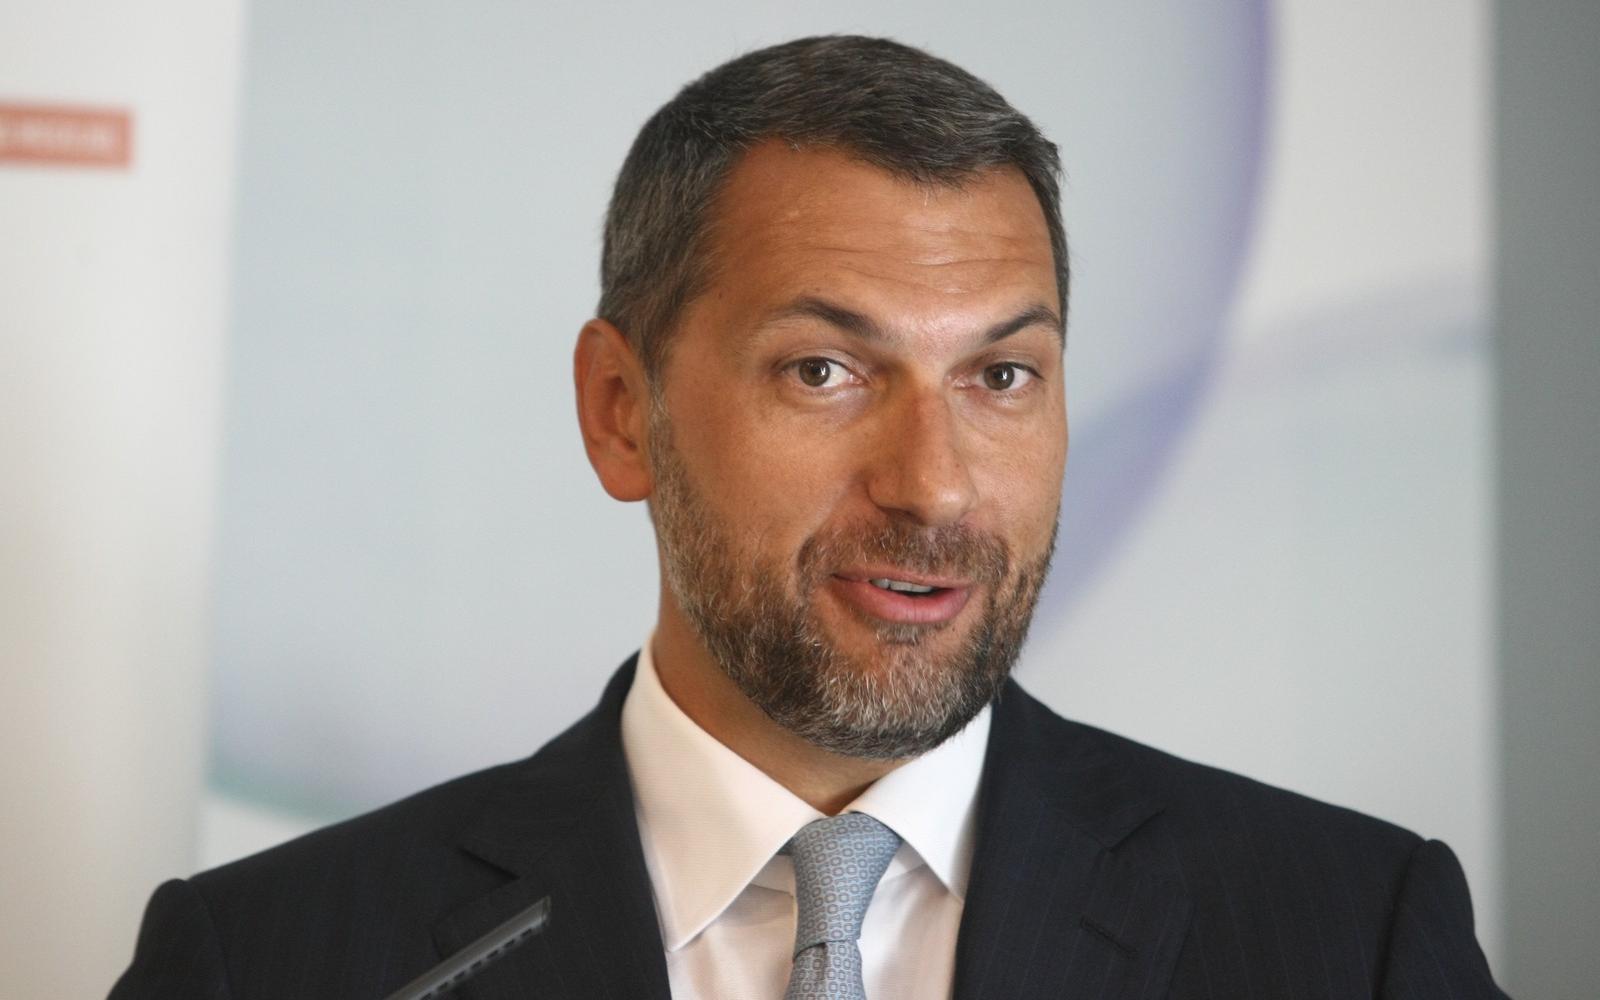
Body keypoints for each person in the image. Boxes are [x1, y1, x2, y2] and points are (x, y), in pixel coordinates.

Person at [111, 35, 1507, 999]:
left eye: (1001, 376)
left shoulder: (1350, 938)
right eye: (824, 371)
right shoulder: (273, 964)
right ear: (621, 411)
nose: (934, 485)